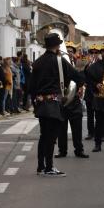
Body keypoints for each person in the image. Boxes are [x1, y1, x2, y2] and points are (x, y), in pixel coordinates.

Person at [29, 33, 84, 177]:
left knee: (43, 136)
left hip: (40, 104)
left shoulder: (37, 62)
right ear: (58, 45)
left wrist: (35, 103)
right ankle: (49, 168)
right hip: (53, 104)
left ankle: (41, 166)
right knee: (51, 138)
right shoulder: (59, 61)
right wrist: (71, 88)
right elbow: (78, 77)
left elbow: (31, 87)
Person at [56, 42, 88, 159]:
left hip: (75, 101)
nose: (68, 52)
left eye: (71, 51)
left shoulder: (78, 65)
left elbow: (83, 79)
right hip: (63, 100)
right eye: (67, 50)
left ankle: (79, 150)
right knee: (61, 128)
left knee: (77, 128)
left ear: (74, 53)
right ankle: (62, 150)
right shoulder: (60, 65)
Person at [86, 43, 104, 152]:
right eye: (103, 51)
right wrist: (95, 84)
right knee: (99, 122)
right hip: (99, 96)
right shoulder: (94, 66)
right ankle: (97, 144)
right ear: (101, 53)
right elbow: (88, 78)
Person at [83, 45, 99, 139]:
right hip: (89, 93)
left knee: (99, 115)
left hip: (98, 92)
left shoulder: (102, 64)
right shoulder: (87, 65)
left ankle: (100, 134)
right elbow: (85, 77)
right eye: (92, 53)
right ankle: (91, 133)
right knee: (90, 115)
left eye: (96, 53)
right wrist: (88, 65)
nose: (94, 54)